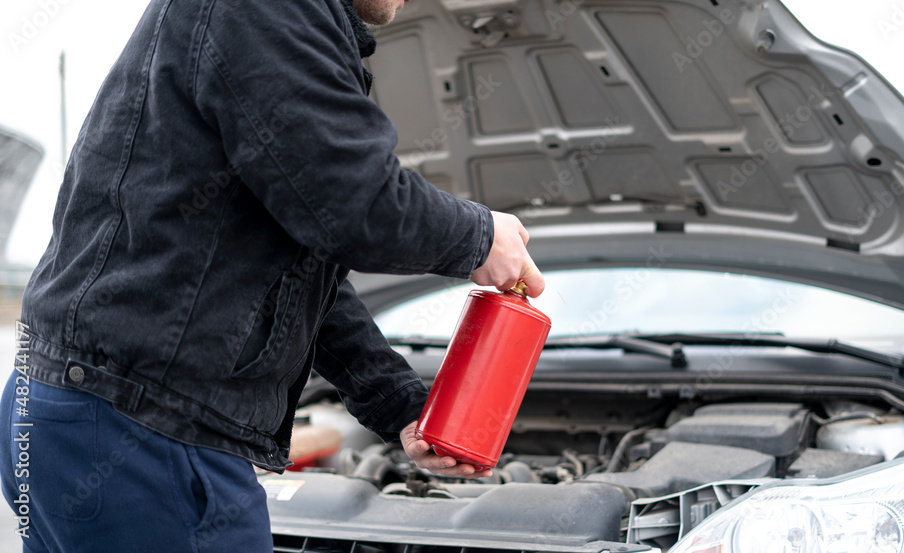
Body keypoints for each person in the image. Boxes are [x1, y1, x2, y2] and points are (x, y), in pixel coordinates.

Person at [0, 0, 544, 550]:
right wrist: (481, 235)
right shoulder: (267, 8)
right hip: (143, 427)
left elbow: (300, 269)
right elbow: (356, 204)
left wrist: (399, 406)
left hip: (80, 410)